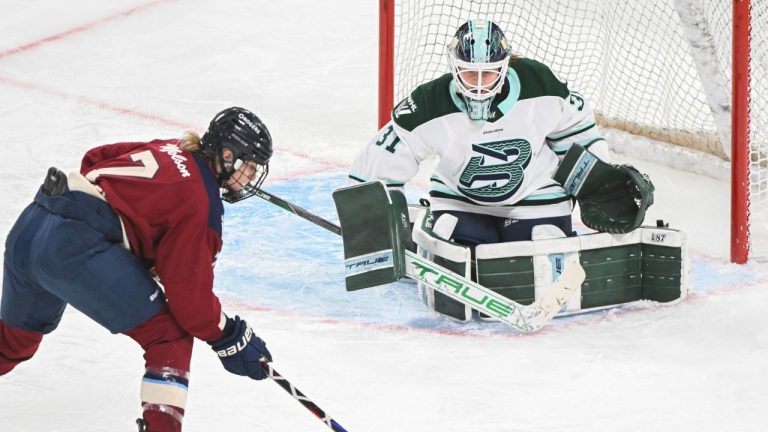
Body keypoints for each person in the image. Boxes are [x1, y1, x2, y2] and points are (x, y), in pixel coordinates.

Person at [0, 107, 274, 431]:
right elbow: (192, 306)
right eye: (251, 166)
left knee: (12, 343)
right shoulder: (202, 206)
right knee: (169, 336)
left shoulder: (173, 148)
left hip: (35, 222)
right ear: (228, 156)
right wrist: (229, 335)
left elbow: (95, 158)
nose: (252, 177)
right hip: (73, 249)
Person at [351, 19, 611, 246]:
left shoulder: (539, 84)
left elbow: (577, 134)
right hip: (460, 201)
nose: (477, 84)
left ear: (504, 66)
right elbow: (379, 164)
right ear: (454, 67)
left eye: (487, 73)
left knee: (544, 252)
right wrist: (373, 224)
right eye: (468, 73)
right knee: (449, 246)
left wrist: (599, 185)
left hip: (536, 195)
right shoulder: (429, 104)